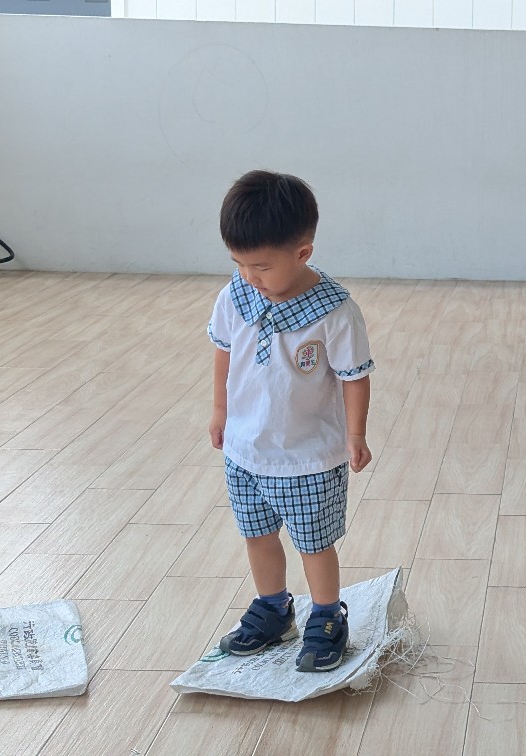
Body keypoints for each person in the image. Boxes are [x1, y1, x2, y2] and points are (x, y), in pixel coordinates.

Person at [207, 170, 375, 670]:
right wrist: (220, 410)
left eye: (261, 266)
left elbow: (354, 376)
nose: (248, 276)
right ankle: (274, 607)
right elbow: (223, 351)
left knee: (314, 543)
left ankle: (326, 614)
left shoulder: (334, 311)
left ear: (302, 253)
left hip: (307, 456)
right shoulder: (236, 295)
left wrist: (356, 434)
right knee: (256, 534)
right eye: (238, 263)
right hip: (245, 450)